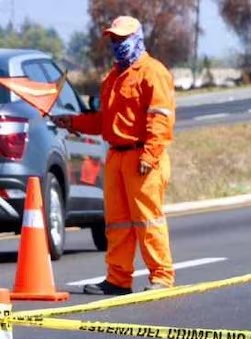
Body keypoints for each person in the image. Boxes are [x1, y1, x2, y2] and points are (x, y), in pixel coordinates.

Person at [56, 16, 175, 295]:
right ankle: (118, 279)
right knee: (118, 222)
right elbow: (105, 121)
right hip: (117, 157)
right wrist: (73, 122)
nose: (117, 44)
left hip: (142, 156)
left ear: (137, 37)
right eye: (114, 39)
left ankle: (162, 277)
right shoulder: (112, 77)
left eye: (122, 38)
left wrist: (149, 156)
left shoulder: (153, 72)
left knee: (148, 220)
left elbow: (160, 119)